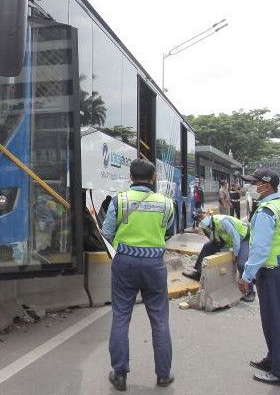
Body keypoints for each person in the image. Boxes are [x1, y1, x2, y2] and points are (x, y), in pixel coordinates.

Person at [102, 158, 175, 391]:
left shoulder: (120, 200)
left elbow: (106, 231)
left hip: (125, 263)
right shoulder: (166, 203)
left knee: (121, 317)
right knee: (160, 319)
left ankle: (120, 374)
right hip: (154, 264)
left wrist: (125, 248)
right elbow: (168, 232)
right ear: (153, 178)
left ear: (131, 177)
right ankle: (163, 375)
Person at [238, 168, 280, 388]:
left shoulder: (265, 212)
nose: (253, 188)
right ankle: (273, 360)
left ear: (266, 186)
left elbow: (259, 249)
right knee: (278, 322)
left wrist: (246, 277)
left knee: (275, 324)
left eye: (255, 184)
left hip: (273, 272)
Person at [182, 213, 256, 302]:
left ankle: (250, 292)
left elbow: (235, 237)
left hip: (244, 238)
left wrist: (235, 254)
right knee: (207, 247)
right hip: (231, 241)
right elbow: (218, 241)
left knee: (241, 263)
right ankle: (198, 273)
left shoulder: (223, 222)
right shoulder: (212, 226)